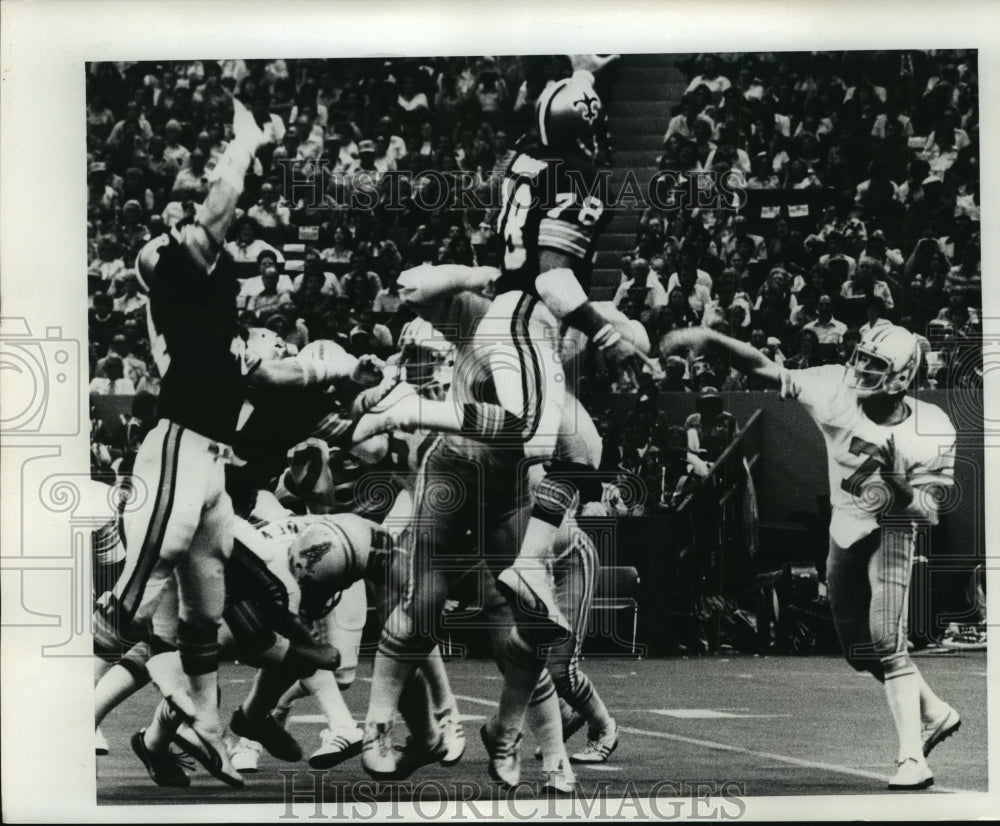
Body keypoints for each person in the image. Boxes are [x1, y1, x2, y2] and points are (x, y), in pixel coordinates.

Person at [662, 322, 960, 791]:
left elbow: (929, 514)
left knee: (886, 639)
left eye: (875, 365)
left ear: (902, 377)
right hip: (844, 524)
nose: (860, 369)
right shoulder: (833, 388)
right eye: (860, 357)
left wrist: (896, 478)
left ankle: (911, 758)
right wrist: (708, 337)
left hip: (895, 525)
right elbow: (763, 365)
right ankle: (935, 711)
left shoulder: (930, 429)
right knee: (859, 652)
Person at [96, 99, 273, 788]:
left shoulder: (206, 290)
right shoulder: (172, 268)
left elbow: (224, 227)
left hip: (210, 461)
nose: (183, 225)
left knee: (203, 608)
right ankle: (63, 712)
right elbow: (214, 216)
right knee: (128, 607)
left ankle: (206, 725)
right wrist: (242, 146)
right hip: (177, 445)